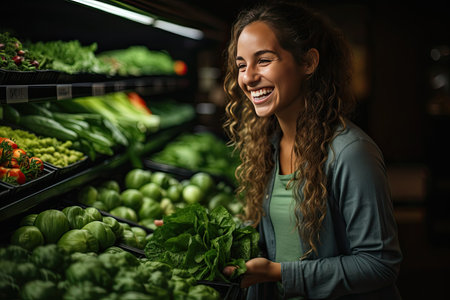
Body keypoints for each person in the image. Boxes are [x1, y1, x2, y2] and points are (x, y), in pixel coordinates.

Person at [220, 1, 403, 299]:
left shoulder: (351, 153)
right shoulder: (269, 144)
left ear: (308, 63)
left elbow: (379, 264)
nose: (248, 77)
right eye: (241, 65)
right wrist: (197, 235)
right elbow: (279, 236)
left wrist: (279, 273)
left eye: (263, 60)